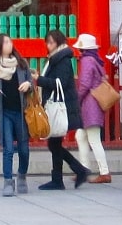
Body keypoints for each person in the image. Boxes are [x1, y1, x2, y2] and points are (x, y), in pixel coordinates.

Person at [37, 33, 92, 190]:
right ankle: (63, 177)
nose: (49, 45)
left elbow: (59, 83)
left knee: (54, 144)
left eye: (51, 42)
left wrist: (39, 79)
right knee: (54, 144)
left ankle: (73, 173)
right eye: (47, 42)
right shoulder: (56, 59)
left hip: (62, 107)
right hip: (60, 106)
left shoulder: (63, 61)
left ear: (59, 43)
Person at [0, 33, 36, 195]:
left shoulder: (21, 64)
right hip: (5, 112)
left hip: (21, 112)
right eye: (6, 42)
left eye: (10, 41)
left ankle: (21, 176)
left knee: (24, 148)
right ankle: (8, 181)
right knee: (8, 148)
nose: (10, 44)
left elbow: (31, 84)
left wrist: (28, 84)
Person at [73, 32, 112, 184]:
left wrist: (77, 100)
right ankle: (83, 169)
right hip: (94, 104)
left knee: (93, 139)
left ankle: (104, 172)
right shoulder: (96, 60)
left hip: (89, 105)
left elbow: (84, 84)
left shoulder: (87, 61)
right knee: (81, 137)